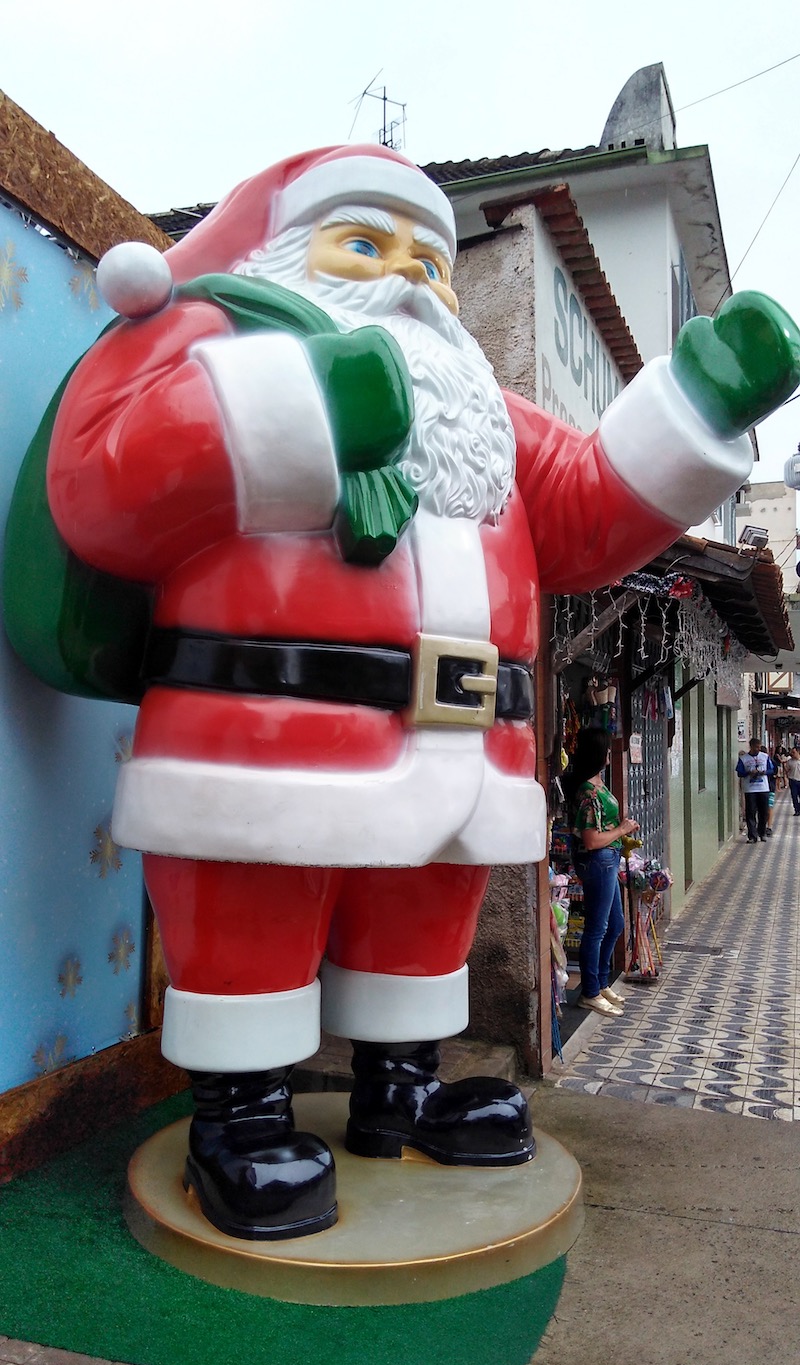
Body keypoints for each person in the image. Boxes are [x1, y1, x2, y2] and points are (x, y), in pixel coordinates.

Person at [37, 145, 800, 1241]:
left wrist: (696, 403)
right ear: (285, 257)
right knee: (252, 914)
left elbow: (585, 508)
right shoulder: (212, 351)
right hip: (269, 730)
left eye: (429, 260)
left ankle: (400, 1089)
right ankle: (240, 1115)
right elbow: (102, 489)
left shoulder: (481, 413)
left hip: (466, 741)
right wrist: (298, 410)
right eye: (365, 243)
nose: (409, 276)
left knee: (422, 920)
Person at [565, 729, 639, 1018]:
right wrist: (621, 830)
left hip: (608, 859)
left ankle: (599, 982)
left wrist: (621, 832)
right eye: (606, 750)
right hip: (598, 861)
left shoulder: (599, 783)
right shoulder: (588, 791)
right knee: (597, 928)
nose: (610, 754)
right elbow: (592, 840)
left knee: (615, 924)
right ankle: (590, 992)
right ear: (597, 754)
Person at [736, 738, 771, 842]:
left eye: (759, 747)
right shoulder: (743, 759)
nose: (758, 749)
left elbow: (772, 769)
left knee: (764, 812)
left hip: (763, 788)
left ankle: (762, 833)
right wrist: (749, 773)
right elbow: (739, 773)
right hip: (750, 789)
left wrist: (764, 772)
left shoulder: (765, 757)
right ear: (751, 746)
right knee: (750, 812)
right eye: (756, 747)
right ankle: (752, 836)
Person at [785, 746, 800, 815]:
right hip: (793, 781)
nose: (792, 754)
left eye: (794, 752)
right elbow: (786, 770)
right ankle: (797, 810)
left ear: (798, 752)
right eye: (791, 752)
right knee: (794, 796)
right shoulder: (789, 762)